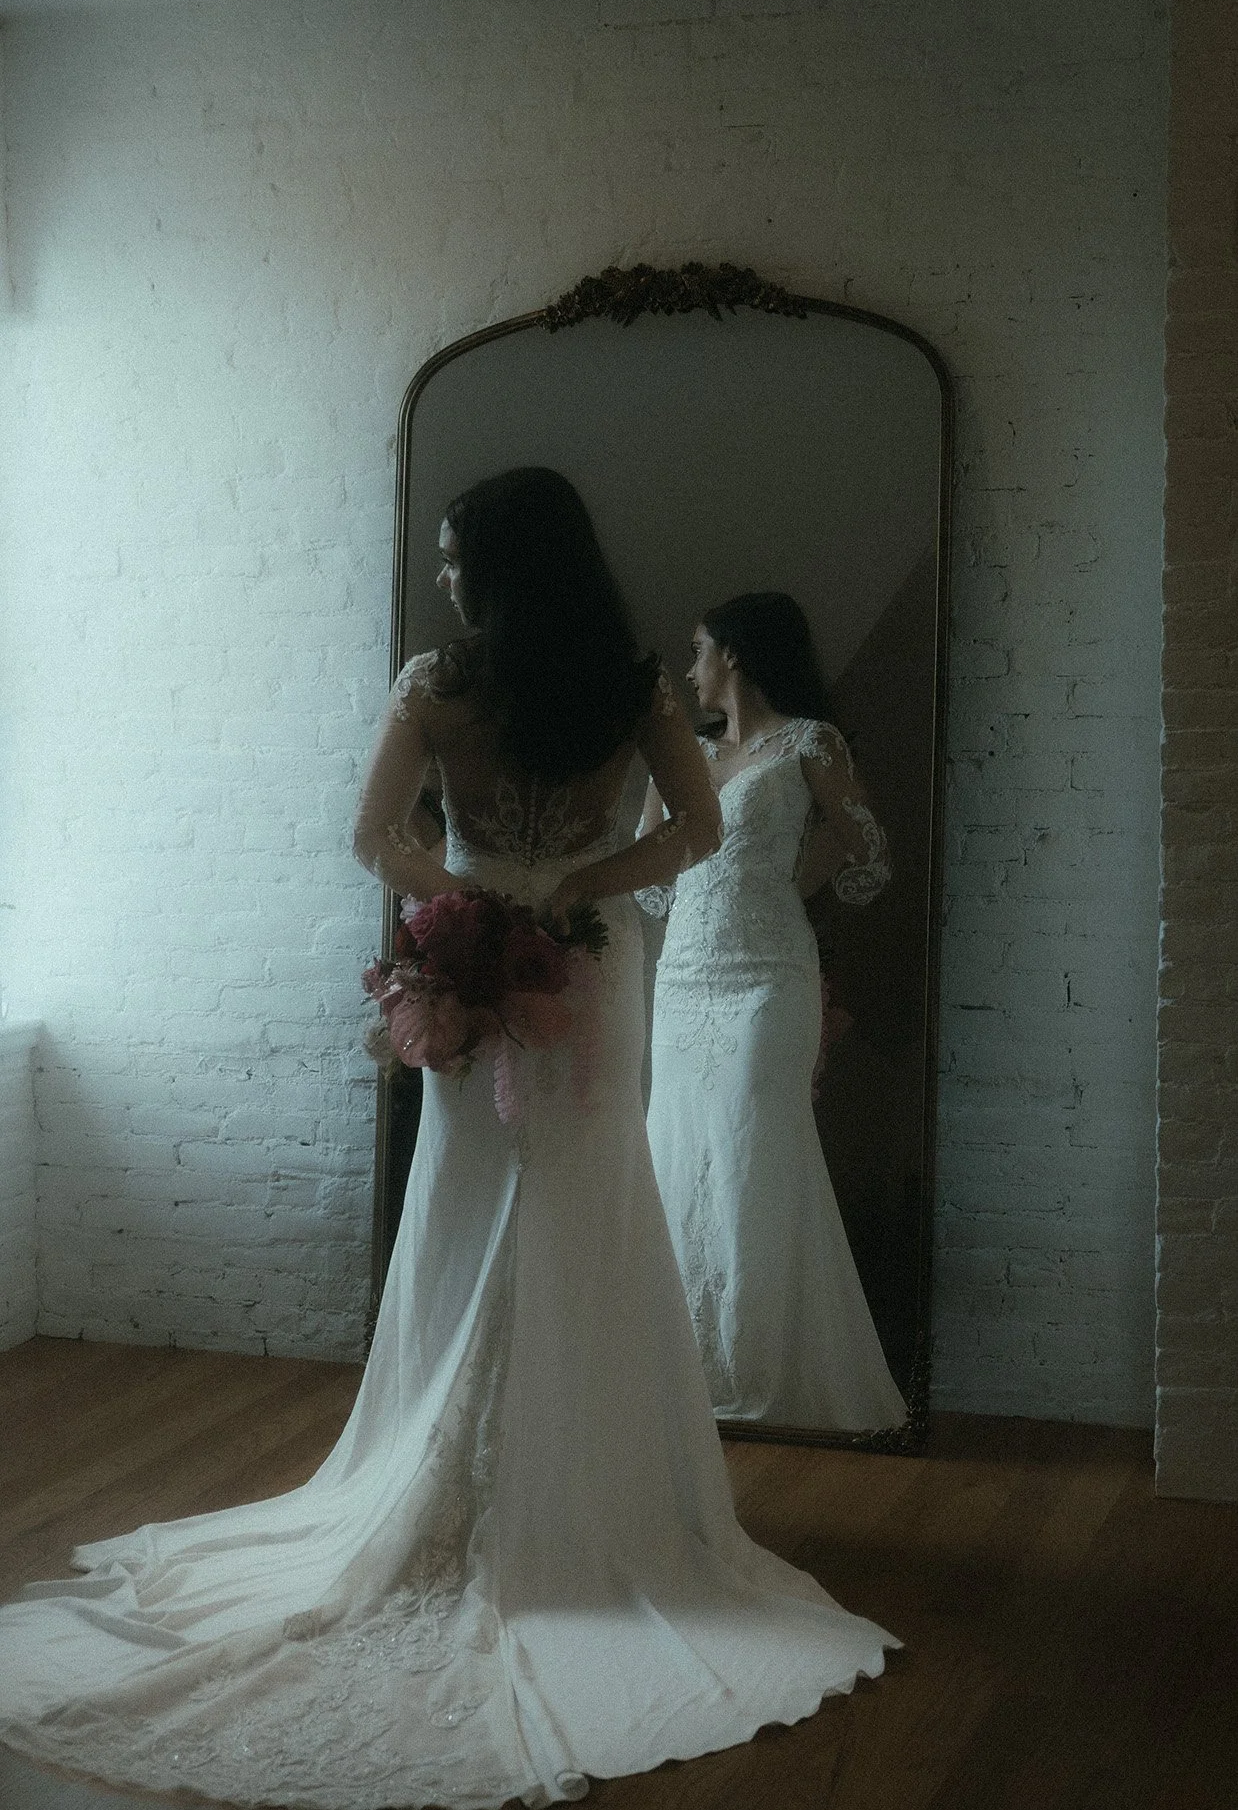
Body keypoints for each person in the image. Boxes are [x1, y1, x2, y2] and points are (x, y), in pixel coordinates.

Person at [0, 477, 897, 1809]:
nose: (439, 571)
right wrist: (574, 885)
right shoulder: (631, 688)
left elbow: (372, 837)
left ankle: (478, 1473)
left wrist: (473, 893)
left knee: (484, 1192)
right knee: (584, 1196)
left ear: (495, 566)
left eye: (451, 553)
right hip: (589, 968)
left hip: (473, 958)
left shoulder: (438, 685)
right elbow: (696, 832)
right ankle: (586, 1495)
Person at [639, 591, 908, 1432]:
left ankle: (764, 1371)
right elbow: (652, 875)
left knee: (755, 1149)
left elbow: (869, 851)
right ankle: (683, 1370)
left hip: (767, 978)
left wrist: (791, 881)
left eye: (699, 648)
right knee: (679, 1150)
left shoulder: (809, 742)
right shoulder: (685, 753)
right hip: (684, 981)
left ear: (736, 653)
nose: (690, 667)